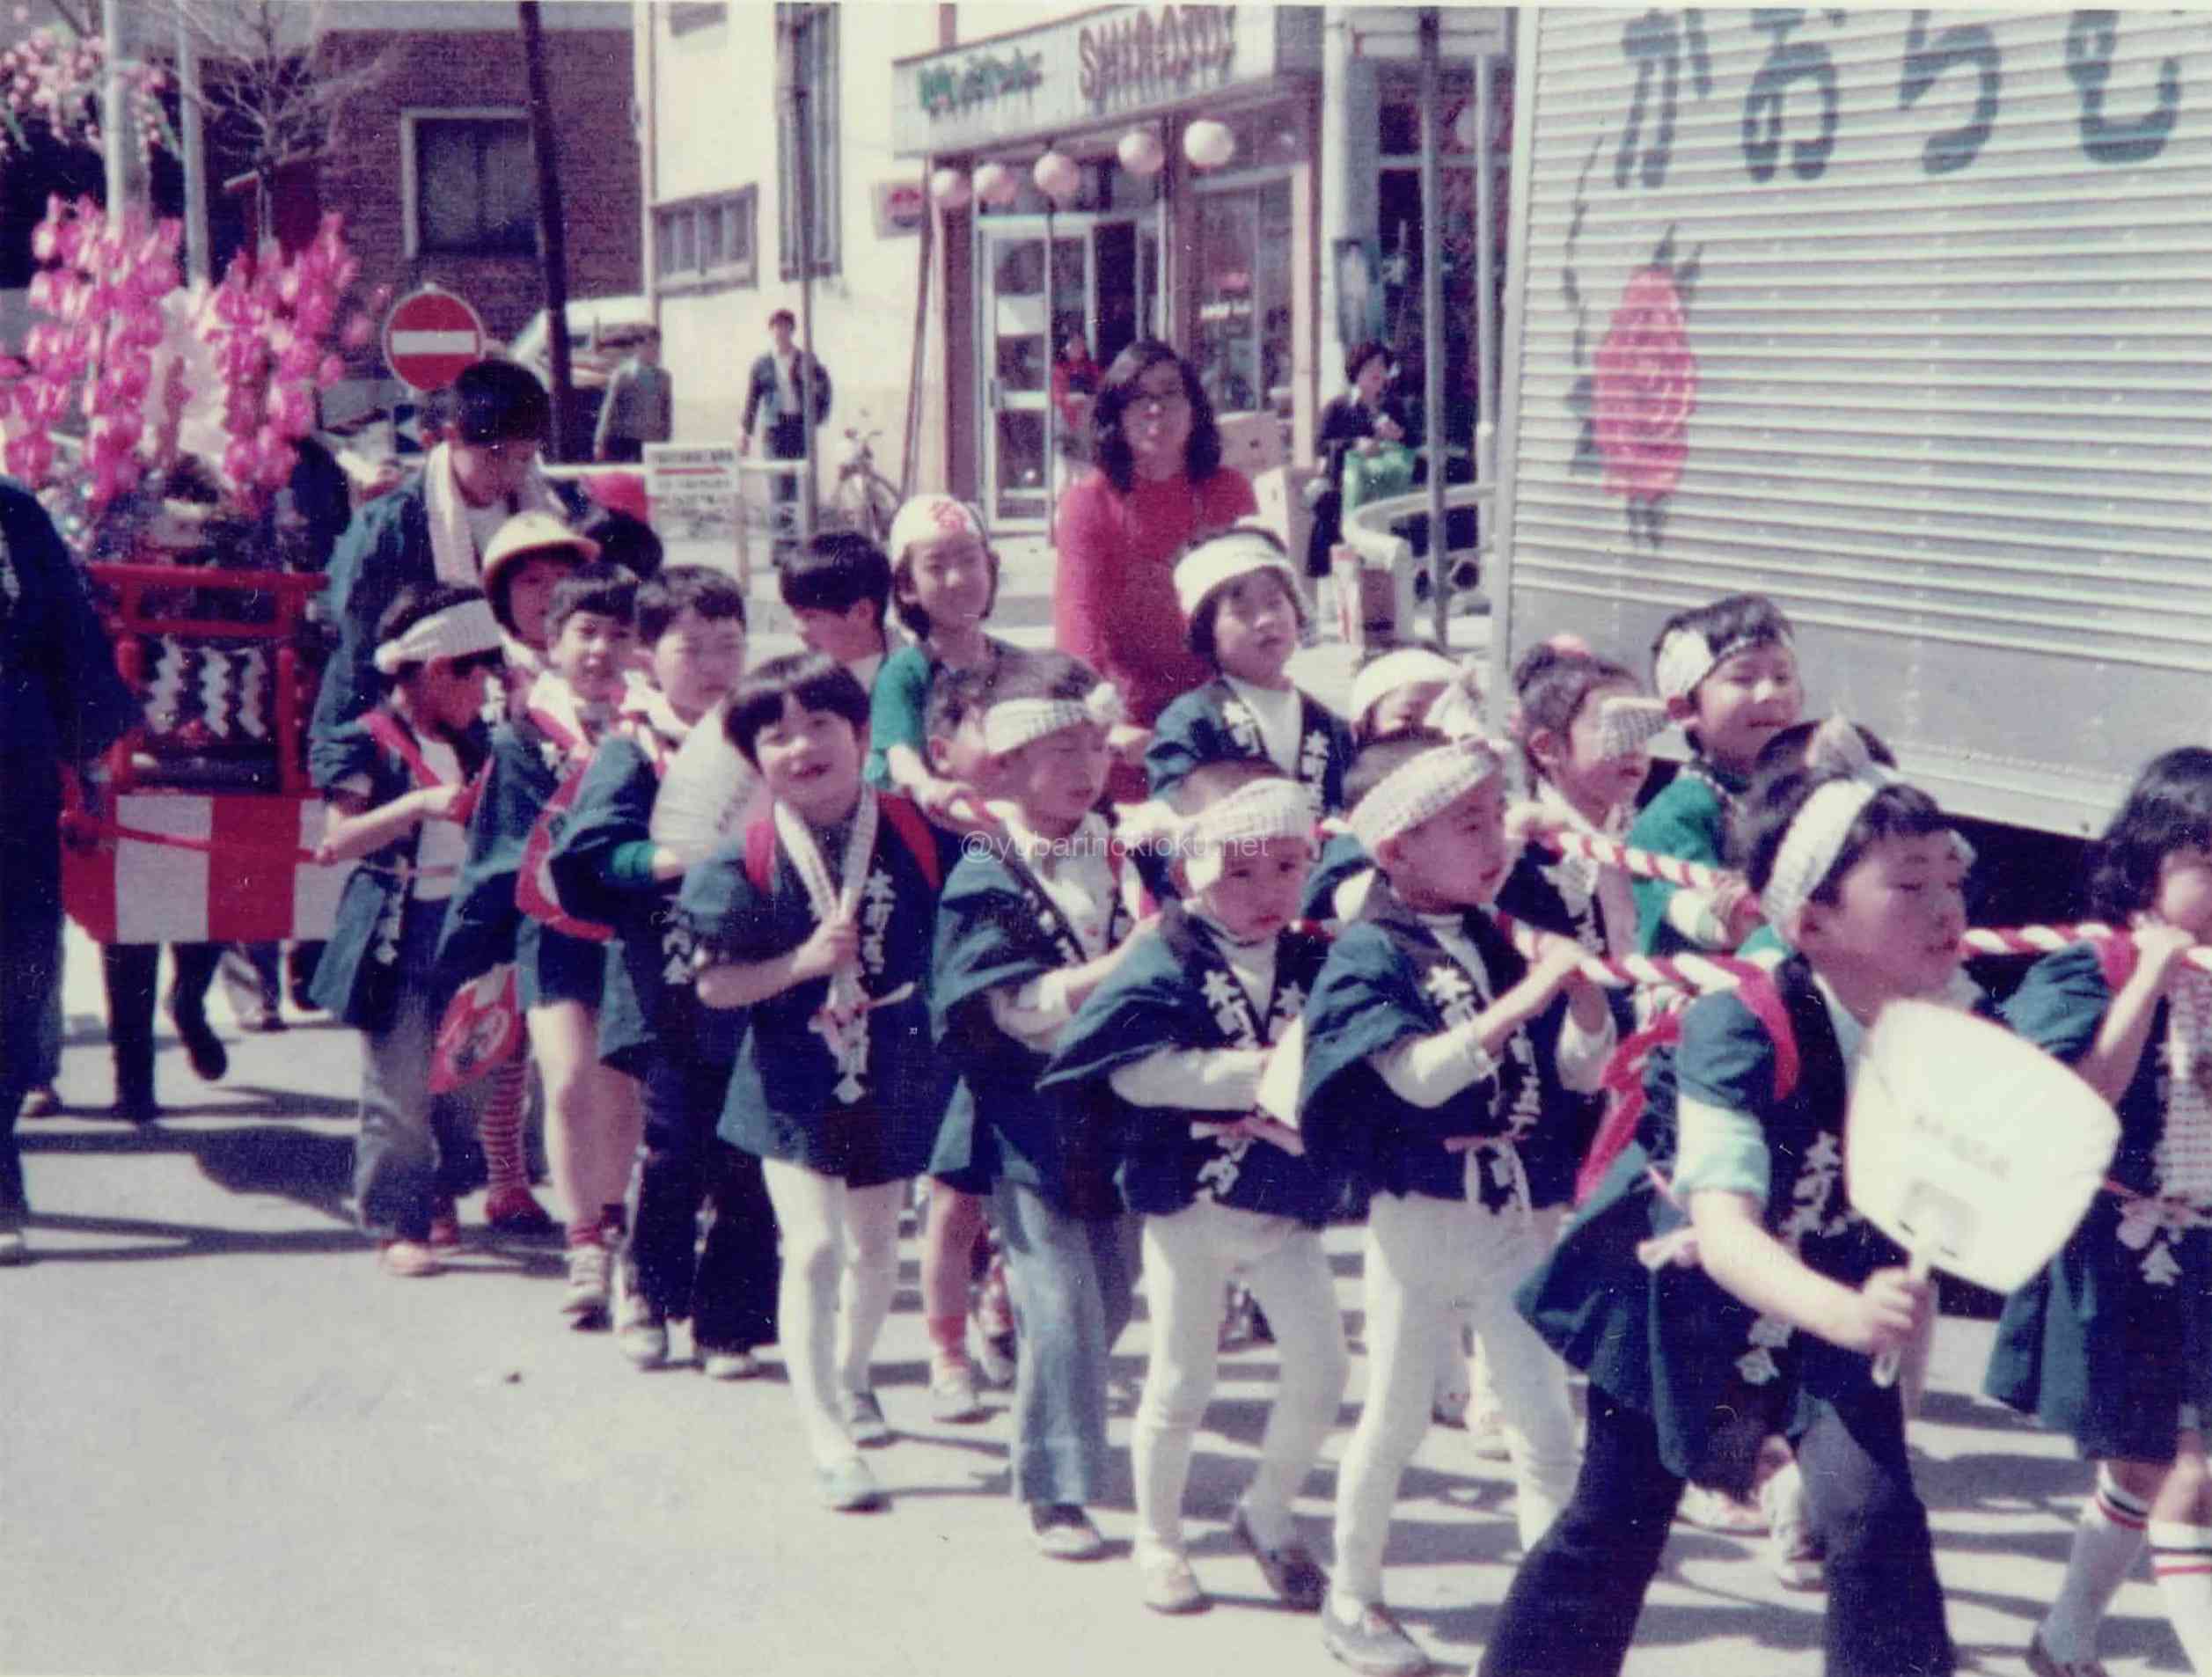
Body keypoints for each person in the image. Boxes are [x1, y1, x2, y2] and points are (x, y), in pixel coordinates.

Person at [1494, 735, 1968, 1677]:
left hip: (1833, 1291)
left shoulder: (1949, 1021)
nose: (1947, 906)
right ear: (1812, 920)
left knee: (1875, 1518)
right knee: (1614, 1526)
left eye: (1951, 878)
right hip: (1685, 1294)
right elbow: (1721, 1230)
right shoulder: (1737, 1024)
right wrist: (1850, 1313)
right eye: (1908, 885)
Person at [1299, 730, 1615, 1676]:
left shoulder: (1493, 932)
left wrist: (1589, 1006)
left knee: (1544, 1422)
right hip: (1421, 1212)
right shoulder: (1369, 950)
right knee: (1393, 1417)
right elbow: (1420, 1078)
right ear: (1395, 850)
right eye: (1467, 824)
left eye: (1495, 818)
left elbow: (1576, 1073)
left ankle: (1553, 1620)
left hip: (1514, 1209)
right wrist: (1528, 999)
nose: (1496, 842)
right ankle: (1352, 1596)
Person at [1043, 769, 1347, 1617]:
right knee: (1181, 1379)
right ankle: (1159, 1538)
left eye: (1287, 868)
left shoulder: (1317, 955)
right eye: (1241, 873)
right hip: (1190, 1200)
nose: (1267, 891)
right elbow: (1132, 1074)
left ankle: (1268, 1513)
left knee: (1325, 1369)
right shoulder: (1164, 951)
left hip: (1282, 1195)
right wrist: (1260, 1075)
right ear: (1191, 874)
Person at [679, 653, 952, 1512]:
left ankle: (853, 1373)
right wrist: (800, 962)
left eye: (821, 724)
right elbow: (716, 984)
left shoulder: (917, 828)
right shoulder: (743, 856)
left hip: (894, 1059)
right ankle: (826, 1430)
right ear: (755, 759)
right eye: (777, 734)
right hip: (788, 1071)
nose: (802, 746)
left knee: (876, 1247)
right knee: (817, 1247)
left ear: (862, 733)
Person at [1986, 747, 2212, 1677]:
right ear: (2148, 867)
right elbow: (2074, 1103)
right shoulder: (2092, 966)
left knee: (2153, 1467)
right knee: (2181, 1471)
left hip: (2203, 1243)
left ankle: (2066, 1631)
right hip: (2122, 1250)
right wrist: (2146, 985)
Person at [930, 651, 1146, 1558]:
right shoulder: (986, 871)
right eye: (1058, 750)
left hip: (1123, 1111)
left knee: (1109, 1290)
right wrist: (1125, 970)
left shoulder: (1123, 850)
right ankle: (1055, 1486)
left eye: (1094, 745)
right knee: (1060, 1303)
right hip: (1026, 1115)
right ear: (1006, 767)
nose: (1084, 767)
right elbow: (1012, 1010)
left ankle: (1050, 1408)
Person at [544, 566, 777, 1375]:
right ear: (648, 655)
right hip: (665, 980)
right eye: (692, 647)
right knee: (675, 1148)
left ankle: (728, 1323)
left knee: (751, 1153)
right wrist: (666, 858)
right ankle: (647, 1289)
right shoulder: (633, 747)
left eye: (729, 645)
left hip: (759, 975)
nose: (715, 665)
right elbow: (594, 853)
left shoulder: (768, 736)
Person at [442, 564, 644, 1317]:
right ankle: (582, 1240)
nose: (600, 650)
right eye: (584, 633)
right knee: (566, 1081)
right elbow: (507, 839)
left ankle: (618, 1230)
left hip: (632, 927)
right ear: (551, 642)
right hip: (551, 925)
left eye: (619, 635)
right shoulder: (526, 731)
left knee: (623, 1086)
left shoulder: (652, 723)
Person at [310, 586, 503, 1276]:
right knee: (399, 1090)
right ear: (435, 667)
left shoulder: (475, 742)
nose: (485, 691)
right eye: (476, 673)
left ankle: (442, 1190)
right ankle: (398, 1222)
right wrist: (420, 804)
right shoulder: (364, 741)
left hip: (467, 929)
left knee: (466, 1077)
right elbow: (340, 839)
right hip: (397, 928)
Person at [0, 480, 141, 1263]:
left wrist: (90, 759)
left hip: (11, 767)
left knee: (19, 968)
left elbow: (69, 637)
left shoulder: (14, 514)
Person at [311, 359, 574, 757]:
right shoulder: (390, 525)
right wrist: (348, 756)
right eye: (495, 457)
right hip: (417, 732)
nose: (510, 474)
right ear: (451, 436)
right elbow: (355, 650)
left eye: (524, 459)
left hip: (525, 719)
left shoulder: (552, 511)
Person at [1052, 340, 1259, 751]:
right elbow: (1078, 628)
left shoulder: (1230, 492)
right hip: (1127, 722)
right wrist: (1103, 723)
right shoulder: (1088, 504)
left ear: (1194, 408)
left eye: (1169, 393)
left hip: (1221, 711)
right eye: (1137, 398)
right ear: (1115, 414)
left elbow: (1257, 610)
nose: (1155, 409)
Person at [1630, 594, 1804, 956]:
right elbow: (1710, 922)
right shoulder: (1676, 813)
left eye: (1782, 676)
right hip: (1706, 990)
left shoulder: (1803, 789)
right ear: (1683, 710)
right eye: (1743, 679)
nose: (1770, 693)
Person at [1145, 526, 1356, 814]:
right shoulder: (1190, 721)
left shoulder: (1328, 723)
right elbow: (1170, 822)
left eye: (1274, 603)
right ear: (1207, 631)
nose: (1266, 620)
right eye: (1242, 612)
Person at [866, 494, 1009, 830]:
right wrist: (929, 788)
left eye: (969, 561)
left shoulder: (1015, 662)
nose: (957, 579)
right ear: (906, 587)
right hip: (931, 829)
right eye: (936, 567)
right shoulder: (904, 673)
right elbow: (901, 759)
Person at [1307, 341, 1409, 581]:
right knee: (1343, 564)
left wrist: (1398, 436)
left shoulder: (1392, 406)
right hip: (1343, 492)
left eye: (1382, 366)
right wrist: (1355, 444)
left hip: (1381, 490)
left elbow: (1411, 443)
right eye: (1370, 366)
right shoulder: (1339, 407)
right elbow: (1320, 445)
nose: (1377, 372)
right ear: (1356, 371)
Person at [740, 308, 833, 521]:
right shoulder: (761, 364)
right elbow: (752, 400)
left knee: (799, 491)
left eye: (785, 326)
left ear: (792, 330)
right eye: (776, 326)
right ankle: (780, 549)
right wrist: (745, 433)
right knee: (778, 491)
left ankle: (796, 545)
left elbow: (824, 388)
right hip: (774, 431)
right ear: (770, 330)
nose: (780, 331)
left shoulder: (806, 360)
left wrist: (818, 415)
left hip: (799, 429)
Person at [592, 327, 673, 465]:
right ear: (637, 347)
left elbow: (666, 411)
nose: (654, 350)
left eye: (657, 346)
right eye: (649, 345)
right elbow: (608, 410)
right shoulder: (623, 375)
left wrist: (667, 440)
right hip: (628, 442)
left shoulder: (664, 377)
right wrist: (599, 442)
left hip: (654, 442)